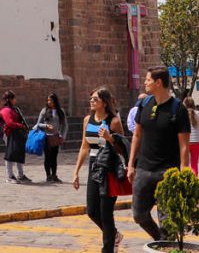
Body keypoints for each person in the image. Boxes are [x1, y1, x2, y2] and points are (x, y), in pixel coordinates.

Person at [127, 66, 190, 241]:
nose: (145, 83)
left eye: (148, 80)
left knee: (167, 220)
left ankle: (165, 245)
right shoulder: (144, 105)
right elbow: (137, 135)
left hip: (167, 172)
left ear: (158, 82)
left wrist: (184, 171)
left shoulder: (178, 109)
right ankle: (159, 240)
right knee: (139, 215)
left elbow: (184, 144)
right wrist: (131, 164)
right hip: (144, 170)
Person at [72, 87, 127, 253]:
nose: (91, 101)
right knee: (92, 210)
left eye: (95, 99)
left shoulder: (114, 121)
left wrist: (110, 138)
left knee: (105, 212)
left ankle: (108, 249)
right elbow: (84, 146)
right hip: (94, 164)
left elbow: (122, 148)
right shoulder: (87, 120)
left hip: (109, 166)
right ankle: (114, 235)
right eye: (91, 98)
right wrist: (76, 172)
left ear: (104, 102)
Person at [0, 90, 31, 183]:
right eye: (14, 98)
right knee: (10, 154)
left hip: (16, 134)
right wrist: (20, 126)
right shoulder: (5, 110)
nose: (15, 100)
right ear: (10, 99)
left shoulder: (13, 109)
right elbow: (9, 123)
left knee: (18, 153)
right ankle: (9, 176)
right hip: (9, 134)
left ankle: (20, 174)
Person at [35, 93, 67, 183]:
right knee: (48, 157)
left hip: (56, 136)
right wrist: (45, 126)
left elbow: (65, 125)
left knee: (54, 157)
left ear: (55, 101)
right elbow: (38, 124)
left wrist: (62, 136)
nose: (49, 102)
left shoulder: (60, 111)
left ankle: (54, 175)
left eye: (51, 100)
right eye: (48, 100)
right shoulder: (44, 111)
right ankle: (48, 175)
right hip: (46, 137)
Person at [183, 96, 199, 175]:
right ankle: (194, 181)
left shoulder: (183, 113)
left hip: (186, 141)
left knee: (184, 163)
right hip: (197, 141)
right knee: (194, 164)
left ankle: (186, 180)